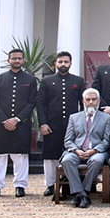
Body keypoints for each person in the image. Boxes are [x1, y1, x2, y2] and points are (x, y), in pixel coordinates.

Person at [0, 49, 38, 199]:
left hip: (21, 123)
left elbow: (32, 102)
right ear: (8, 60)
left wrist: (17, 119)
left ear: (23, 61)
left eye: (19, 58)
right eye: (14, 58)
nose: (16, 61)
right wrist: (4, 120)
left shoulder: (30, 80)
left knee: (20, 156)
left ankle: (20, 186)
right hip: (1, 123)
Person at [36, 51, 85, 197]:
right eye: (60, 62)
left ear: (70, 63)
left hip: (73, 125)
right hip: (52, 124)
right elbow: (41, 104)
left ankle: (72, 183)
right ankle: (50, 185)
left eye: (66, 62)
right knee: (51, 155)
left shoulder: (78, 81)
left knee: (73, 154)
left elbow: (83, 104)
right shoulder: (46, 81)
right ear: (55, 64)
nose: (63, 64)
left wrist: (83, 125)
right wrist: (43, 123)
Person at [60, 88, 110, 208]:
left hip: (96, 151)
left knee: (97, 160)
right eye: (88, 100)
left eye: (93, 99)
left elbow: (106, 140)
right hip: (76, 150)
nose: (90, 102)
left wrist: (93, 150)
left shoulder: (106, 118)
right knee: (67, 160)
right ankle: (82, 194)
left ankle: (82, 193)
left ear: (98, 101)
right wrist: (76, 151)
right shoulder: (74, 117)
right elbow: (68, 140)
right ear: (83, 102)